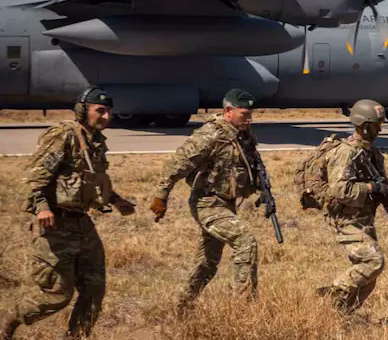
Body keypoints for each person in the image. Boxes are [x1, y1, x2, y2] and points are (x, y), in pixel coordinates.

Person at [0, 87, 136, 340]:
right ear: (82, 111)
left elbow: (92, 181)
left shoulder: (96, 142)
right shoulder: (64, 135)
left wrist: (116, 201)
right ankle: (9, 320)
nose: (106, 117)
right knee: (57, 295)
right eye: (100, 111)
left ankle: (77, 337)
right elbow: (34, 178)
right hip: (55, 226)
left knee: (94, 291)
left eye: (108, 112)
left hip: (83, 225)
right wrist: (41, 207)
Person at [149, 89, 270, 311]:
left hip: (226, 204)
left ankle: (182, 306)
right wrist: (161, 196)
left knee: (207, 263)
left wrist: (261, 190)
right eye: (244, 114)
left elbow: (250, 165)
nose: (250, 118)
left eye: (251, 114)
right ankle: (245, 309)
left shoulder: (243, 134)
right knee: (245, 240)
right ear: (228, 112)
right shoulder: (211, 135)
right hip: (207, 203)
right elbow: (177, 164)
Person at [319, 99, 388, 314]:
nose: (380, 129)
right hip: (346, 220)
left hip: (364, 218)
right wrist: (371, 188)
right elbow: (340, 191)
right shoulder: (346, 153)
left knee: (369, 279)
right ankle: (332, 293)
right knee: (373, 262)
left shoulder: (372, 153)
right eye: (377, 125)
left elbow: (383, 184)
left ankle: (340, 315)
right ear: (365, 125)